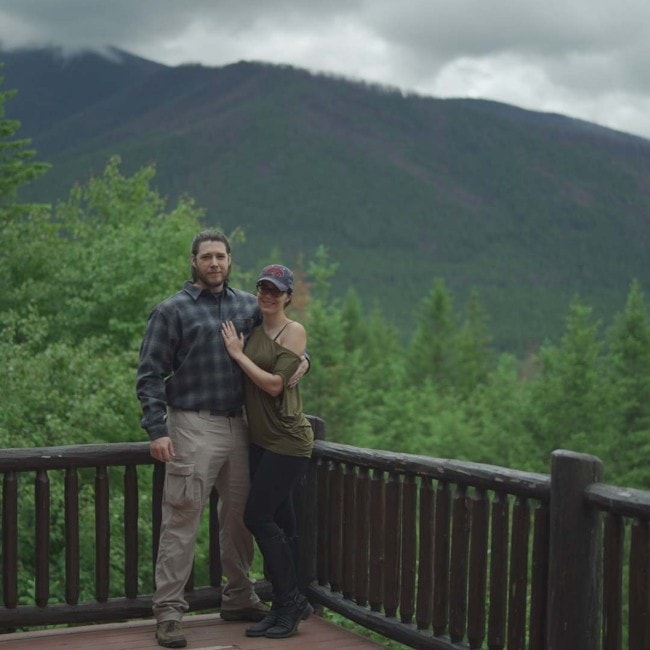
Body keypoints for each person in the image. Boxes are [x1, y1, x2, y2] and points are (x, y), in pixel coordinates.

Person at [136, 231, 309, 649]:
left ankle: (238, 596)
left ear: (230, 261)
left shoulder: (247, 306)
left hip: (241, 428)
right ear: (193, 261)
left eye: (221, 256)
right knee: (182, 520)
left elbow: (282, 336)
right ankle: (170, 613)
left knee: (239, 520)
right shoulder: (171, 311)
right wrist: (157, 430)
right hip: (191, 426)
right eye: (207, 257)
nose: (214, 263)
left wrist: (305, 361)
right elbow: (149, 376)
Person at [221, 263, 314, 639]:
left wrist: (238, 355)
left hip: (288, 441)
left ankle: (290, 602)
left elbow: (275, 385)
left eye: (276, 290)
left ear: (288, 296)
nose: (268, 295)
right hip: (259, 440)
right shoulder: (254, 326)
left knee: (256, 517)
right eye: (263, 288)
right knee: (284, 524)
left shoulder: (294, 331)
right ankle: (287, 604)